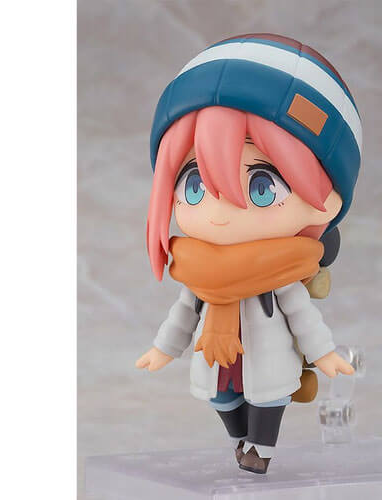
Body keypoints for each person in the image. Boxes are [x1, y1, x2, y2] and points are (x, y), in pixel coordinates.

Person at [136, 34, 362, 474]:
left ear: (327, 201)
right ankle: (239, 438)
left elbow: (303, 317)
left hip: (268, 360)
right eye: (195, 185)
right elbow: (184, 315)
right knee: (222, 399)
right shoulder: (196, 276)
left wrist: (324, 354)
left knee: (267, 399)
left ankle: (261, 448)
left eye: (262, 187)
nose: (220, 210)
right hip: (217, 361)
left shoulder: (281, 277)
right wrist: (163, 349)